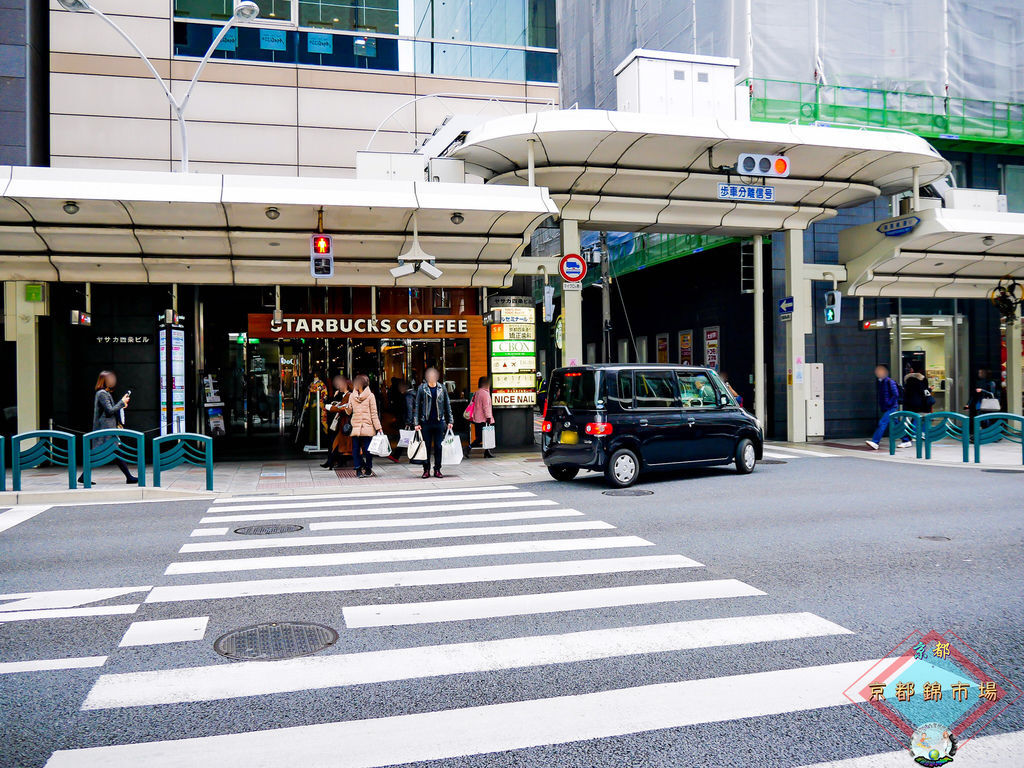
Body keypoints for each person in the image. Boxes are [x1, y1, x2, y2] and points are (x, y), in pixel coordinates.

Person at [82, 370, 137, 485]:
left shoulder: (103, 393)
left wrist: (122, 403)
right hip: (104, 430)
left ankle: (129, 476)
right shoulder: (102, 393)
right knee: (102, 453)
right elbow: (110, 410)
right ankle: (129, 477)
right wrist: (122, 402)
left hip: (107, 430)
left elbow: (110, 410)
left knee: (114, 452)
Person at [413, 366, 454, 478]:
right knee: (425, 447)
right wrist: (416, 423)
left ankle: (437, 469)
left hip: (439, 422)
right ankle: (426, 469)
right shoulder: (422, 388)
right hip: (425, 422)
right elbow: (417, 406)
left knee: (438, 447)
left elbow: (447, 405)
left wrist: (450, 420)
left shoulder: (442, 388)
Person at [345, 374, 383, 478]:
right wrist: (347, 408)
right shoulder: (352, 396)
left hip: (367, 426)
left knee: (368, 450)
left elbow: (374, 413)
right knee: (356, 449)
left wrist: (378, 427)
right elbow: (349, 412)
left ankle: (368, 468)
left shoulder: (371, 396)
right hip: (356, 426)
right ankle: (358, 469)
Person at [867, 364, 911, 450]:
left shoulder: (889, 381)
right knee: (895, 424)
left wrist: (888, 403)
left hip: (891, 407)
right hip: (889, 407)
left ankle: (875, 442)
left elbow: (895, 394)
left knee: (882, 423)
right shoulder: (881, 382)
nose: (878, 372)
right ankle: (906, 440)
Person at [321, 375, 351, 470]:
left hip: (344, 423)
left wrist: (329, 407)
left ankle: (332, 462)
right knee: (337, 444)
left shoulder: (348, 395)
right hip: (341, 422)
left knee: (339, 443)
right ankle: (333, 461)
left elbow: (342, 408)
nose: (339, 386)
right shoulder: (342, 395)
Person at [469, 376, 496, 458]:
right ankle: (468, 448)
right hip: (483, 419)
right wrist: (488, 417)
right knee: (481, 437)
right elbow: (486, 407)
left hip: (477, 418)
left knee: (484, 436)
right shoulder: (485, 394)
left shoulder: (477, 393)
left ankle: (487, 452)